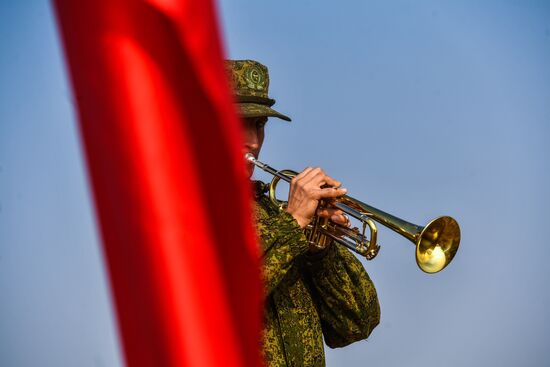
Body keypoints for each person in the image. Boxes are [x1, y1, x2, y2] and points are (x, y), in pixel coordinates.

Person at [226, 60, 380, 367]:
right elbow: (223, 299)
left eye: (259, 125)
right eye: (241, 122)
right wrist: (292, 223)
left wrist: (320, 248)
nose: (254, 142)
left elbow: (355, 324)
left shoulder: (274, 214)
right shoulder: (183, 214)